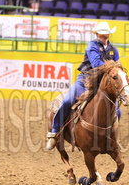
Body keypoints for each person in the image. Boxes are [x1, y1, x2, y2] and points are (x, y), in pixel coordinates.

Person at [45, 21, 120, 151]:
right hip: (85, 80)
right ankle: (54, 132)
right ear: (97, 34)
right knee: (68, 101)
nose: (103, 36)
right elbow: (97, 64)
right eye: (101, 35)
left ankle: (112, 137)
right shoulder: (92, 46)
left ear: (108, 34)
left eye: (105, 34)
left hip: (102, 84)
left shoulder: (114, 49)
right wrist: (112, 68)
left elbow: (118, 66)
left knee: (117, 110)